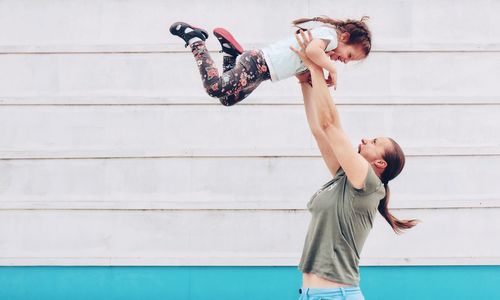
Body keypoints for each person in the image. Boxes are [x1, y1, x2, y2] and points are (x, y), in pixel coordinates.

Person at [291, 30, 418, 300]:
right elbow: (319, 131)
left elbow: (330, 124)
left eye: (373, 141)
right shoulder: (344, 178)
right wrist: (306, 82)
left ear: (380, 163)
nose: (364, 138)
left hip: (336, 295)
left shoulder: (369, 185)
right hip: (310, 294)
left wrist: (317, 66)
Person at [169, 16, 371, 106]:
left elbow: (309, 58)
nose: (344, 61)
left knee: (227, 100)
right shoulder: (330, 37)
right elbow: (312, 50)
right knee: (215, 88)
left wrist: (315, 74)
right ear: (344, 37)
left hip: (262, 72)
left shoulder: (324, 47)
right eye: (350, 55)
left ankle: (231, 54)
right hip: (258, 64)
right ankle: (195, 38)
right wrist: (332, 70)